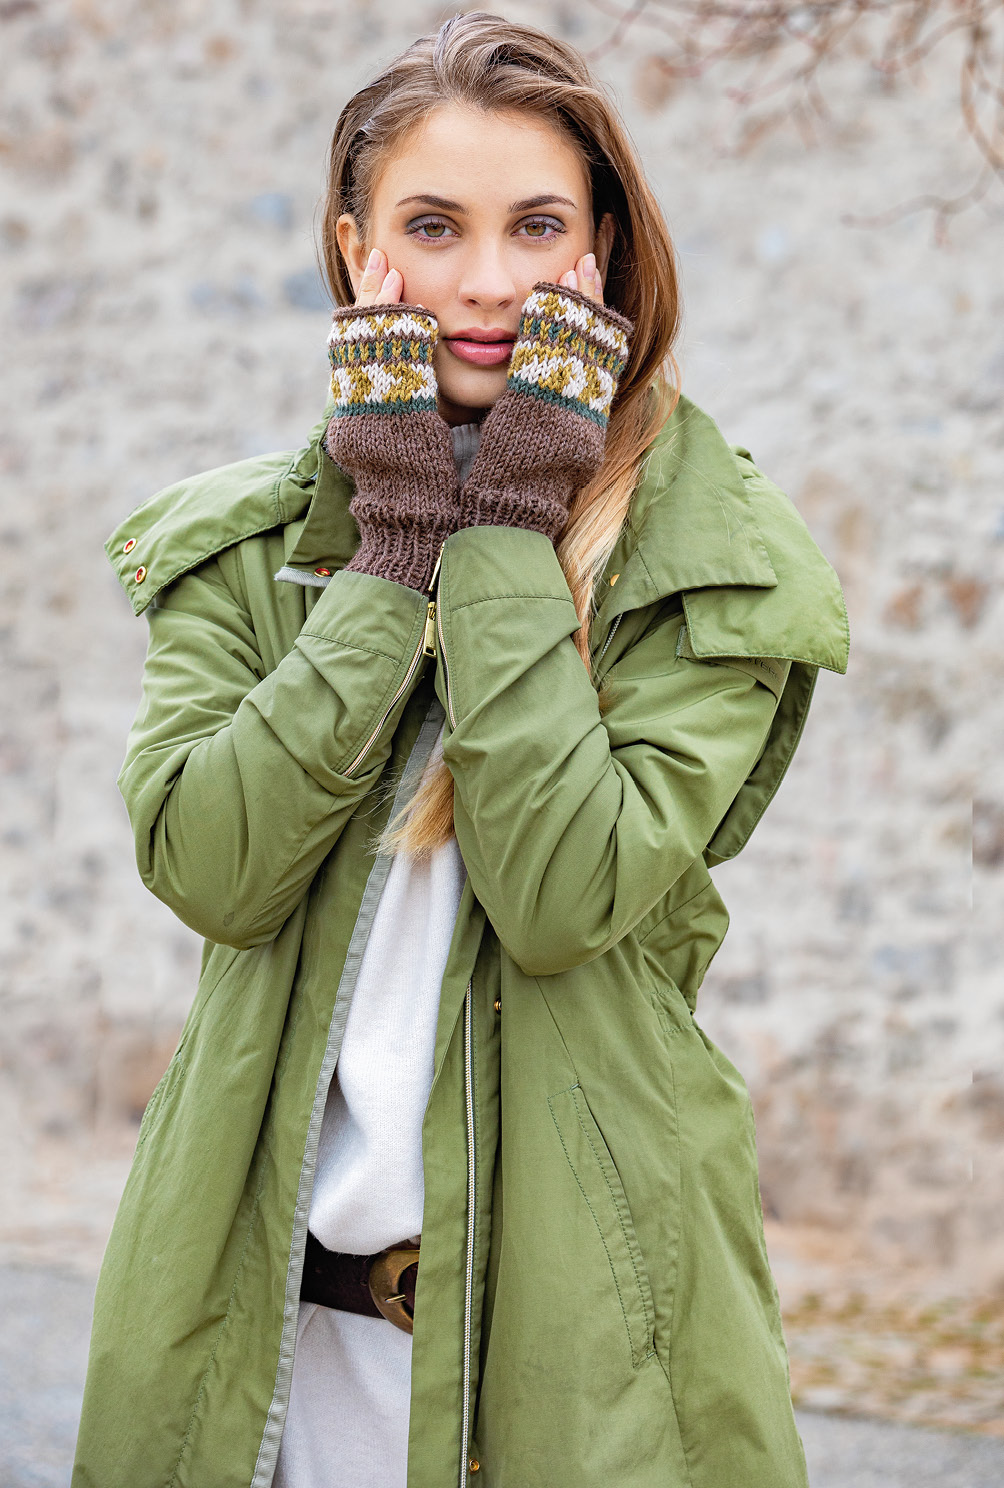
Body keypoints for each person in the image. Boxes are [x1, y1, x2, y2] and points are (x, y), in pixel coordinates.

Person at [72, 12, 848, 1488]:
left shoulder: (712, 564)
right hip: (265, 1341)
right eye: (435, 227)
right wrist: (389, 553)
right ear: (359, 248)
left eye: (537, 225)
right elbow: (212, 871)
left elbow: (563, 897)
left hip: (576, 1341)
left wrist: (497, 538)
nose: (488, 282)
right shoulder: (242, 545)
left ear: (604, 252)